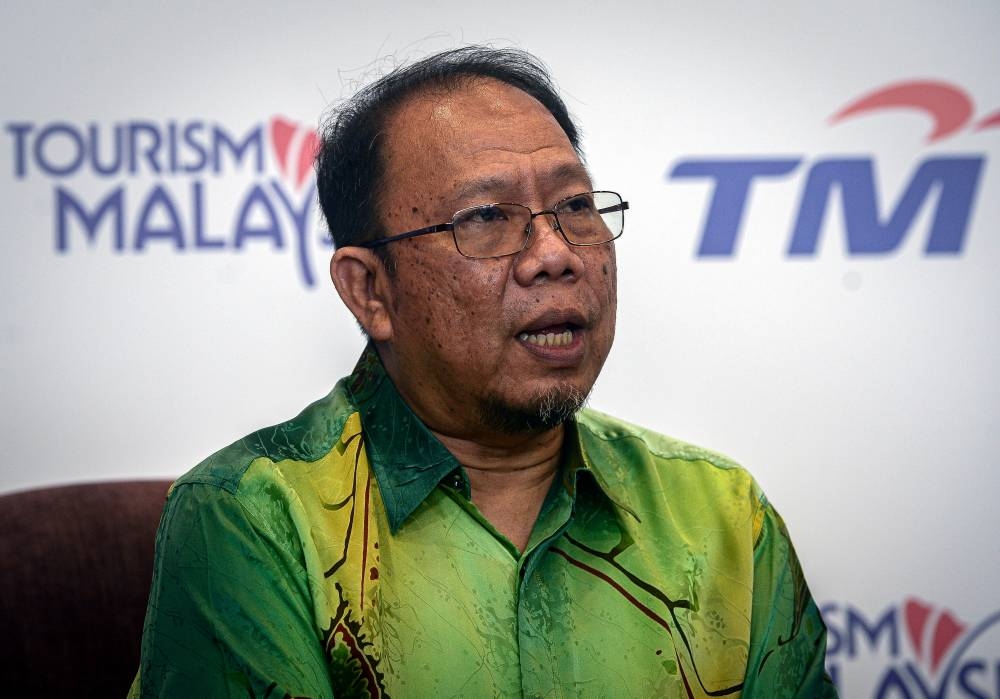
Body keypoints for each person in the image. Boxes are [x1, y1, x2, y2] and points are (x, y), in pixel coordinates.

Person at [131, 46, 836, 698]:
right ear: (370, 289)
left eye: (576, 207)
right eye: (489, 217)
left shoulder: (721, 516)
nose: (554, 254)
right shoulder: (253, 516)